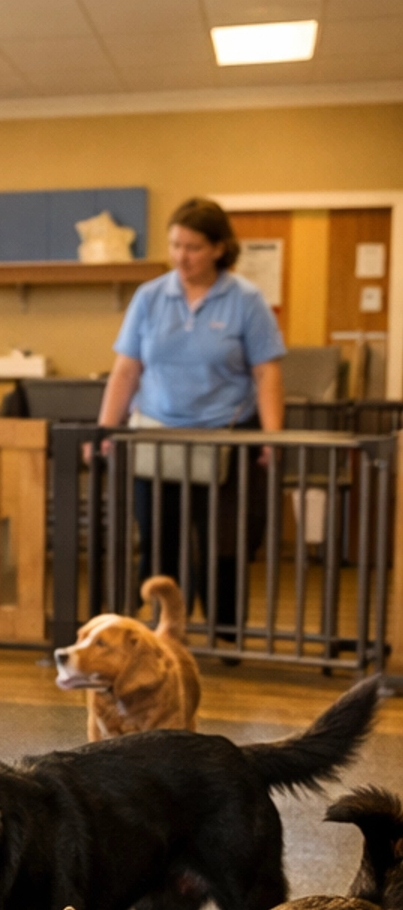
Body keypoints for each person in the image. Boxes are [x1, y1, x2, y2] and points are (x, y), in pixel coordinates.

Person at [98, 197, 284, 641]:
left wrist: (274, 439)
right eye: (176, 245)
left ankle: (226, 634)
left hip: (225, 438)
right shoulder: (150, 297)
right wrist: (105, 430)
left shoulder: (246, 300)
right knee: (160, 543)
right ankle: (157, 635)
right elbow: (126, 369)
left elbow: (266, 372)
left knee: (223, 545)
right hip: (157, 438)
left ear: (219, 248)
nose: (182, 256)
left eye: (194, 247)